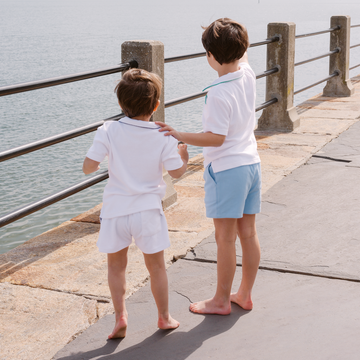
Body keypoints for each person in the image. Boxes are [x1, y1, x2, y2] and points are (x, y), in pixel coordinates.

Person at [156, 18, 261, 315]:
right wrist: (230, 28)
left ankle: (221, 300)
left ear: (211, 57)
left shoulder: (218, 92)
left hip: (227, 171)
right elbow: (244, 50)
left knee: (225, 238)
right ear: (241, 50)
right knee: (249, 234)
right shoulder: (247, 73)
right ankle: (245, 294)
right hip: (251, 164)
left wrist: (179, 134)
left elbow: (215, 138)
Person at [83, 68, 189, 338]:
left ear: (120, 104)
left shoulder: (108, 130)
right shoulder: (163, 134)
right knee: (156, 267)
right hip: (148, 212)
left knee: (116, 267)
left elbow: (88, 167)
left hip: (116, 211)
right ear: (155, 105)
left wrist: (100, 155)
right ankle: (164, 317)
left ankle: (120, 316)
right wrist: (184, 156)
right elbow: (177, 172)